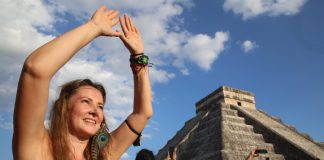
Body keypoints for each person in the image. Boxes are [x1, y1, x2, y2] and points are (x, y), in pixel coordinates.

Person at [13, 6, 152, 160]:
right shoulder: (37, 147)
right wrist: (93, 27)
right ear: (64, 107)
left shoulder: (105, 153)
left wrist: (139, 57)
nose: (95, 111)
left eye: (100, 106)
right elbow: (35, 70)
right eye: (86, 101)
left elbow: (142, 113)